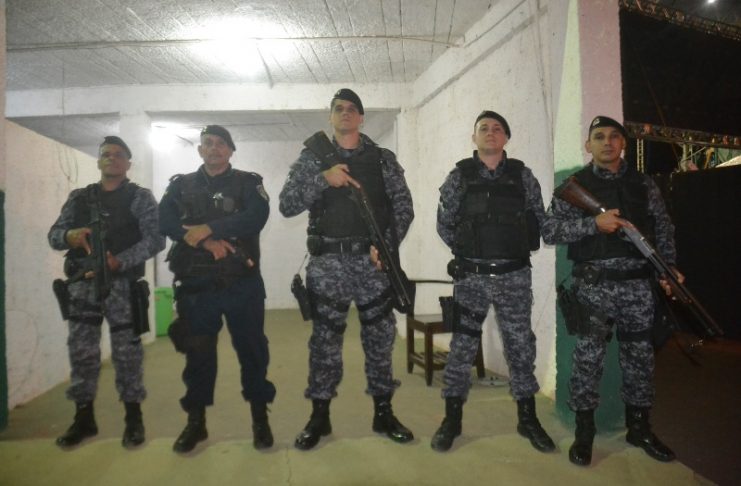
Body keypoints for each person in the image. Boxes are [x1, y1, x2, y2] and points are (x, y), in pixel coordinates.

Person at [279, 88, 415, 450]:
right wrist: (324, 179)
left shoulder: (382, 160)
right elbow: (287, 204)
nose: (345, 113)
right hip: (328, 263)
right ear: (331, 116)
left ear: (362, 118)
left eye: (352, 109)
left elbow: (403, 207)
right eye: (338, 108)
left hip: (373, 263)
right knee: (324, 343)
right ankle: (319, 416)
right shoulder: (312, 159)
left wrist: (385, 246)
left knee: (380, 340)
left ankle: (384, 412)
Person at [541, 115, 679, 466]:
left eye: (614, 136)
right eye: (599, 136)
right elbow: (550, 231)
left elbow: (663, 228)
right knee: (588, 358)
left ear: (624, 144)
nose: (607, 142)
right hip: (594, 286)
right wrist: (593, 224)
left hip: (637, 286)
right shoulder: (576, 185)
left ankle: (639, 427)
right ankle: (584, 431)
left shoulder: (643, 184)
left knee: (640, 358)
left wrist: (668, 269)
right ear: (588, 145)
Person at [432, 111, 554, 453]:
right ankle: (452, 420)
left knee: (520, 348)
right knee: (462, 348)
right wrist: (470, 251)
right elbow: (444, 224)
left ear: (506, 138)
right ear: (474, 138)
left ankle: (527, 419)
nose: (490, 132)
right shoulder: (459, 176)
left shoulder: (523, 177)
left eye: (497, 128)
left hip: (514, 275)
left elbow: (540, 219)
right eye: (483, 128)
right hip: (471, 277)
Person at [159, 125, 275, 453]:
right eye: (208, 143)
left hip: (242, 284)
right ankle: (196, 423)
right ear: (200, 150)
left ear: (231, 150)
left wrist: (210, 227)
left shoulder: (248, 183)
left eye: (221, 144)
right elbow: (164, 221)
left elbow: (256, 217)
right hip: (196, 288)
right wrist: (205, 242)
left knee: (253, 352)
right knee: (198, 356)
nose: (214, 148)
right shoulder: (180, 185)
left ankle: (260, 419)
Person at [48, 136, 165, 448]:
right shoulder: (79, 198)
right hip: (83, 285)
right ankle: (83, 418)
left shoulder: (139, 197)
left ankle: (133, 418)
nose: (111, 158)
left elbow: (155, 240)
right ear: (99, 161)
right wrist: (69, 236)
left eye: (118, 155)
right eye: (105, 154)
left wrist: (120, 261)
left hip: (122, 286)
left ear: (128, 163)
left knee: (127, 353)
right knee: (81, 351)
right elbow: (54, 235)